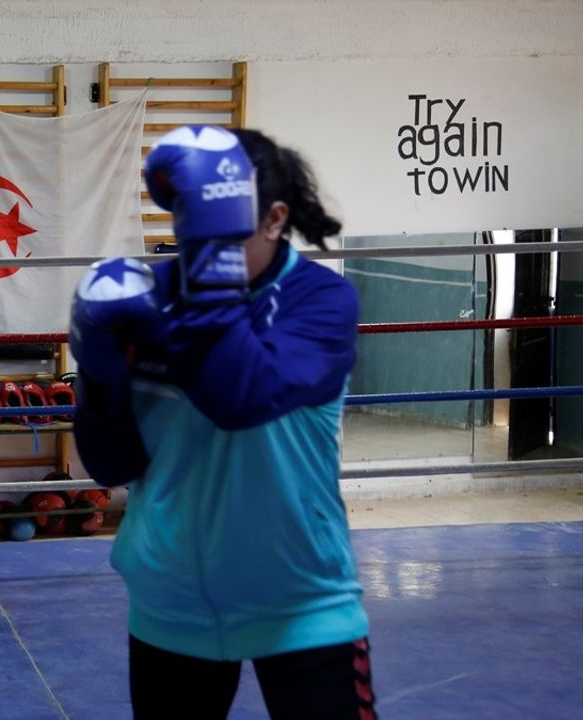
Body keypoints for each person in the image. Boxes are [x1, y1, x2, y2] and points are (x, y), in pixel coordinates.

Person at [70, 126, 376, 719]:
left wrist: (208, 275)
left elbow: (240, 398)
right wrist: (99, 380)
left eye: (219, 219)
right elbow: (112, 465)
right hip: (171, 602)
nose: (195, 237)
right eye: (190, 218)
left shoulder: (320, 301)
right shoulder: (146, 294)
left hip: (302, 604)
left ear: (273, 218)